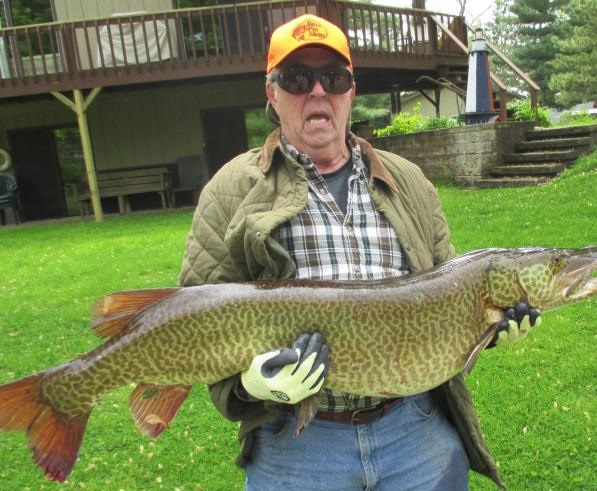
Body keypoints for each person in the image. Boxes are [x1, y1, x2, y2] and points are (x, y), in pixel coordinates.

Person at [179, 14, 540, 491]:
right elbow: (191, 317)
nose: (317, 91)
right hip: (296, 440)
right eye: (296, 78)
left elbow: (450, 288)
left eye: (333, 77)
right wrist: (249, 386)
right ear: (271, 94)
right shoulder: (231, 189)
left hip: (412, 429)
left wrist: (489, 325)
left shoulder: (408, 179)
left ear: (351, 90)